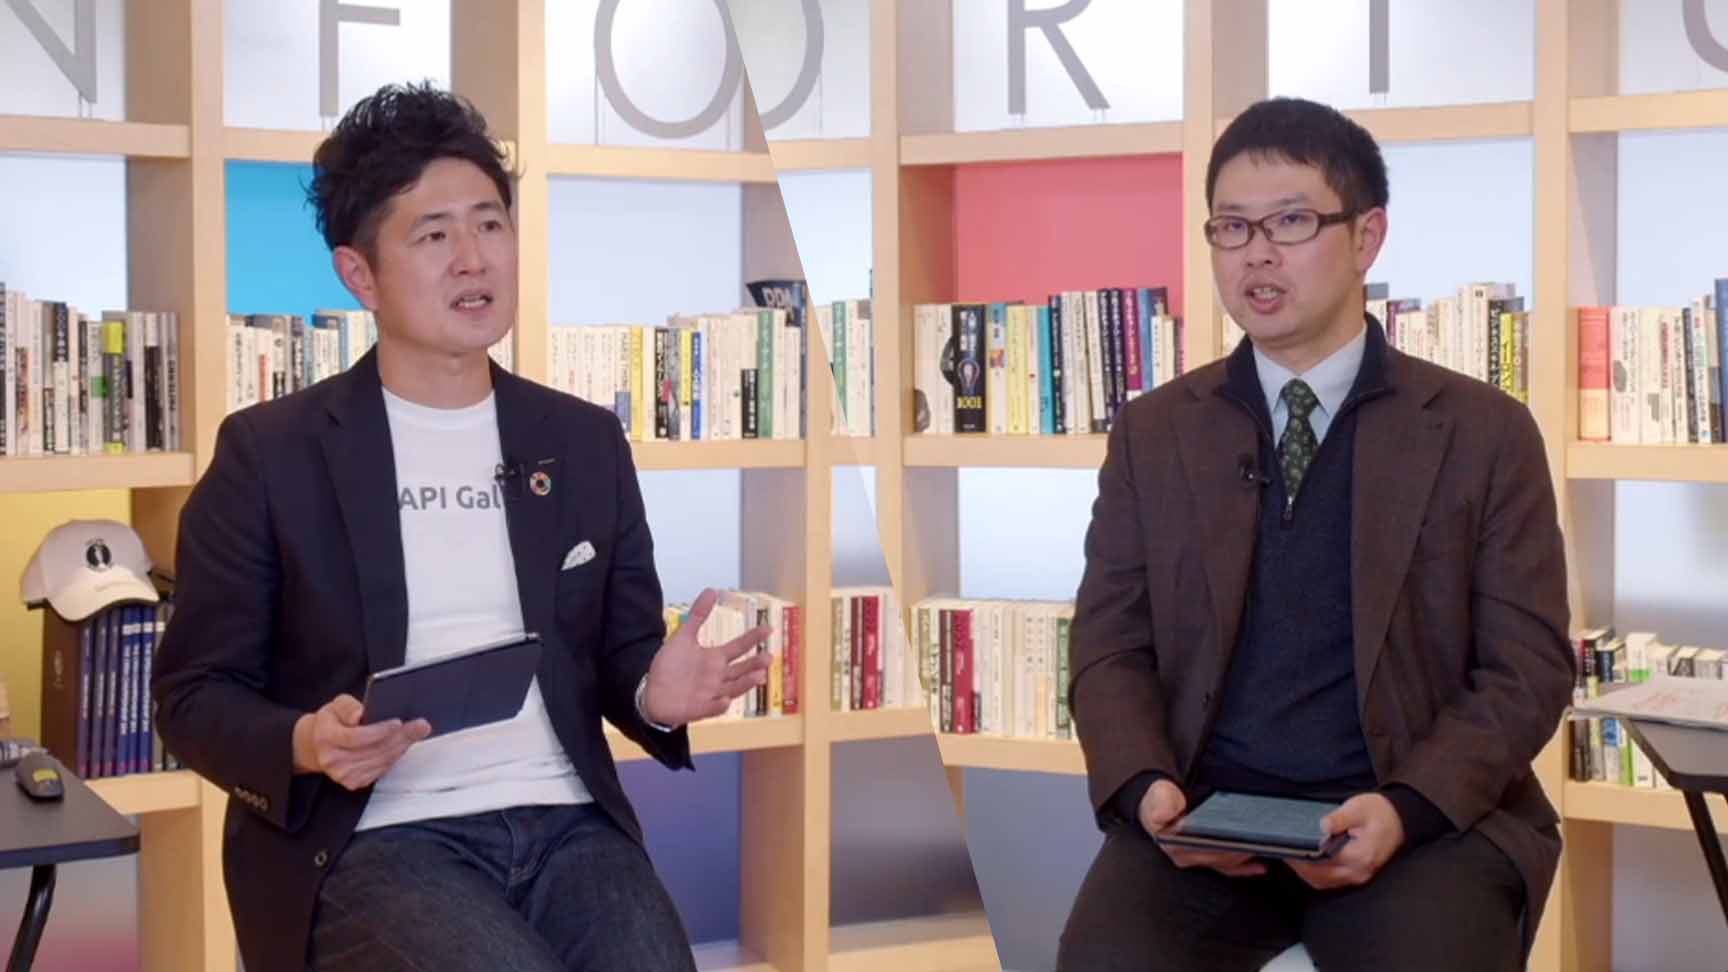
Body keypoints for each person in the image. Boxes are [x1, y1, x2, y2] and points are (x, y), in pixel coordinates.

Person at [150, 82, 770, 972]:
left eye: (490, 224)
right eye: (434, 235)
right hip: (373, 837)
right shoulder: (271, 454)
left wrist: (651, 694)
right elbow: (193, 697)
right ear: (359, 274)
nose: (473, 259)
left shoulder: (580, 440)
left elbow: (619, 651)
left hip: (566, 823)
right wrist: (306, 742)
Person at [1057, 96, 1574, 971]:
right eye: (1231, 227)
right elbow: (1109, 643)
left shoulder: (1483, 431)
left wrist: (1408, 807)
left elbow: (1527, 667)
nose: (1257, 253)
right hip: (1206, 817)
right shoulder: (1156, 430)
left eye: (1291, 222)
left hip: (1411, 819)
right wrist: (1147, 791)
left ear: (1367, 236)